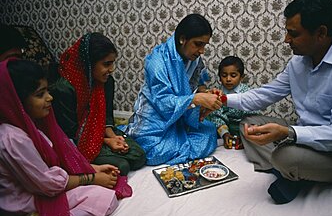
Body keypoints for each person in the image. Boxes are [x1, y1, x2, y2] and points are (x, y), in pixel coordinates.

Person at [223, 0, 332, 204]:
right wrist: (221, 99)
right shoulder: (298, 62)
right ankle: (295, 175)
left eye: (293, 33)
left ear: (321, 33)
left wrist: (290, 132)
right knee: (249, 124)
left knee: (286, 157)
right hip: (306, 141)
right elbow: (265, 95)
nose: (286, 39)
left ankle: (291, 170)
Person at [0, 59, 132, 216]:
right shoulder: (13, 138)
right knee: (106, 198)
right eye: (40, 94)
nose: (50, 97)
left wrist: (91, 167)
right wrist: (91, 177)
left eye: (47, 90)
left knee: (123, 168)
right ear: (16, 100)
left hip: (48, 183)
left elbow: (58, 155)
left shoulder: (32, 123)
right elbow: (48, 182)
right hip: (32, 201)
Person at [123, 14, 223, 165]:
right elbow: (163, 102)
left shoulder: (195, 60)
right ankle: (178, 144)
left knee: (209, 131)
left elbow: (199, 86)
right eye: (198, 44)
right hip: (155, 119)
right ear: (182, 39)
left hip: (180, 118)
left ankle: (179, 143)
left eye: (204, 45)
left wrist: (207, 96)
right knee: (153, 150)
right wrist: (196, 99)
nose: (202, 51)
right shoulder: (157, 61)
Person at [51, 32, 146, 176]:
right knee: (123, 166)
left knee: (139, 156)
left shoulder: (106, 82)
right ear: (88, 64)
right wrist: (107, 141)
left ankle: (104, 153)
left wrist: (112, 137)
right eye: (107, 64)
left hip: (98, 134)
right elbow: (68, 135)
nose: (112, 69)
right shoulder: (64, 88)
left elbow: (106, 117)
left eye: (113, 63)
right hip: (75, 143)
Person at [207, 56, 258, 149]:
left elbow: (252, 116)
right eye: (224, 75)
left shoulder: (247, 93)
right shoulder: (218, 94)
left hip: (243, 126)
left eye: (233, 75)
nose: (228, 79)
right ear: (219, 77)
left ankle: (245, 140)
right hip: (224, 127)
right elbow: (217, 116)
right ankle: (224, 138)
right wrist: (225, 133)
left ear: (242, 77)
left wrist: (246, 133)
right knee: (208, 118)